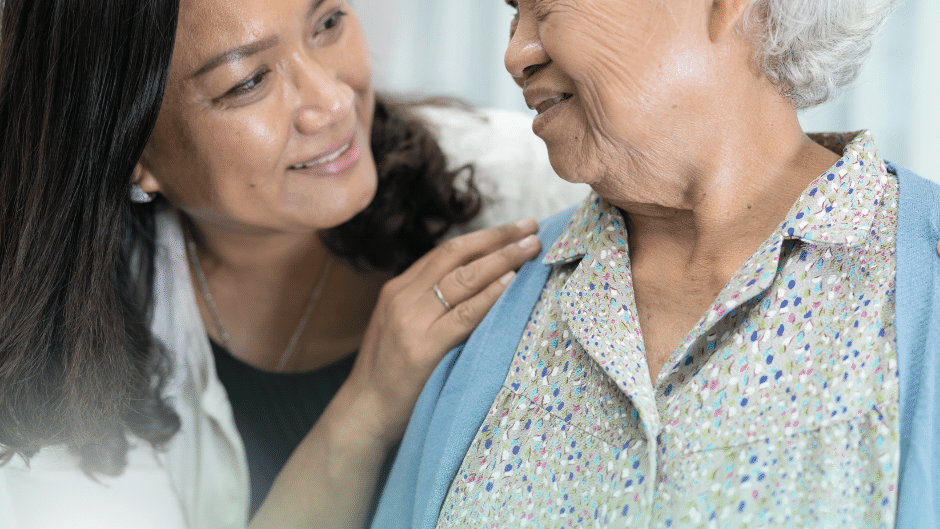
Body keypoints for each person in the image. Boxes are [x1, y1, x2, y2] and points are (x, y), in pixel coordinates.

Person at [0, 0, 585, 527]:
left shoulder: (532, 184)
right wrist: (365, 410)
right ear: (131, 151)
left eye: (327, 23)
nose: (333, 102)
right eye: (249, 80)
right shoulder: (57, 373)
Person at [374, 0, 940, 527]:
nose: (517, 53)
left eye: (546, 5)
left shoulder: (922, 276)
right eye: (513, 12)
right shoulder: (486, 306)